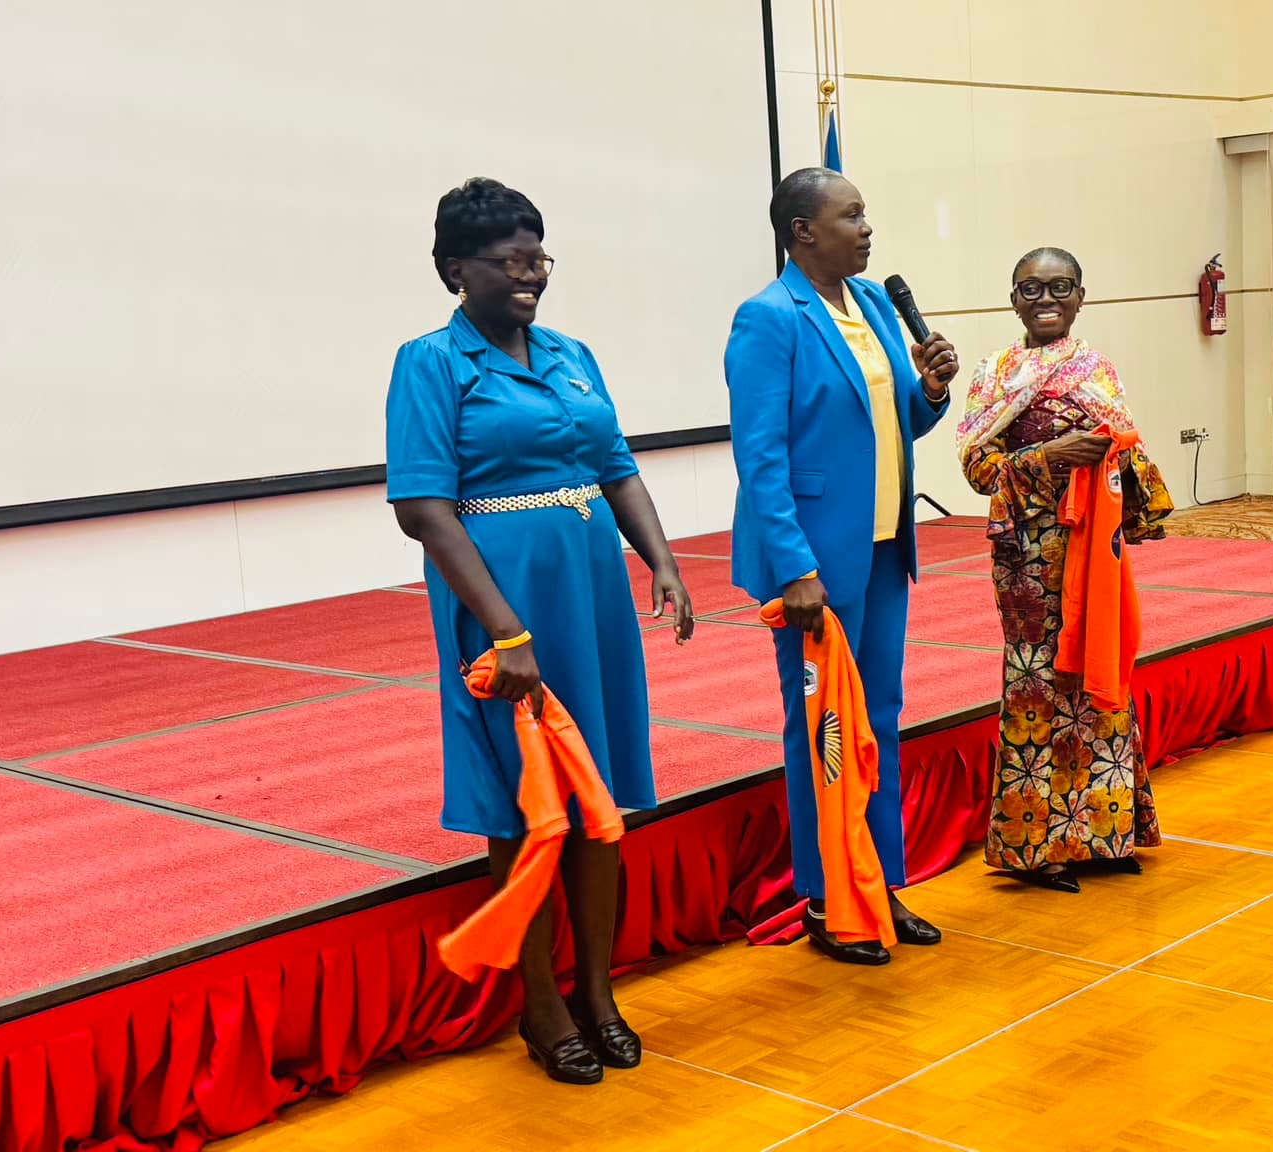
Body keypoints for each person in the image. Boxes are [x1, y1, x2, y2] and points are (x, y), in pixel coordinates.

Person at [386, 178, 695, 1084]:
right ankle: (542, 1005)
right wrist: (504, 630)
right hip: (504, 599)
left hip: (591, 595)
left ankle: (599, 994)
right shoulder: (431, 363)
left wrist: (663, 561)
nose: (531, 275)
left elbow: (616, 467)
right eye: (510, 260)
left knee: (601, 804)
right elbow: (424, 509)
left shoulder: (572, 354)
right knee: (525, 809)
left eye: (539, 257)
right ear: (455, 270)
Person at [724, 168, 961, 965]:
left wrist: (925, 394)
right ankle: (829, 899)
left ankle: (880, 884)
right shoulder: (768, 319)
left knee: (879, 719)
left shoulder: (870, 309)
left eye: (866, 213)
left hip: (885, 547)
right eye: (851, 216)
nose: (867, 228)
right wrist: (792, 566)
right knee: (823, 728)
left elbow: (886, 425)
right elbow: (760, 457)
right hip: (817, 564)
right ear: (802, 233)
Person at [957, 247, 1174, 893]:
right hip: (1026, 554)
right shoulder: (994, 373)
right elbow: (977, 471)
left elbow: (1129, 452)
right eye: (1030, 288)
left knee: (1101, 674)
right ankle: (1035, 848)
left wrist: (1110, 454)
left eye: (1059, 287)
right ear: (1013, 297)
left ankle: (1107, 834)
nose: (1045, 298)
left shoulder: (1097, 371)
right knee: (1038, 684)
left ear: (1081, 296)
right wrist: (1049, 455)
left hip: (1093, 550)